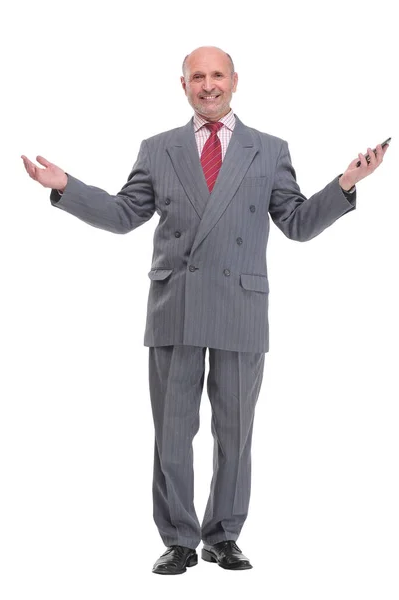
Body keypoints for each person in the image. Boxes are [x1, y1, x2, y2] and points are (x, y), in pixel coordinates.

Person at [21, 45, 389, 575]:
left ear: (235, 81)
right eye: (198, 76)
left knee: (235, 431)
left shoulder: (269, 149)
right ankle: (178, 539)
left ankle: (224, 536)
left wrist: (346, 184)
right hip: (177, 303)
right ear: (184, 85)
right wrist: (66, 188)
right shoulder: (158, 148)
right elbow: (126, 214)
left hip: (241, 302)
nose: (208, 84)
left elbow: (298, 223)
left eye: (218, 75)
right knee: (172, 431)